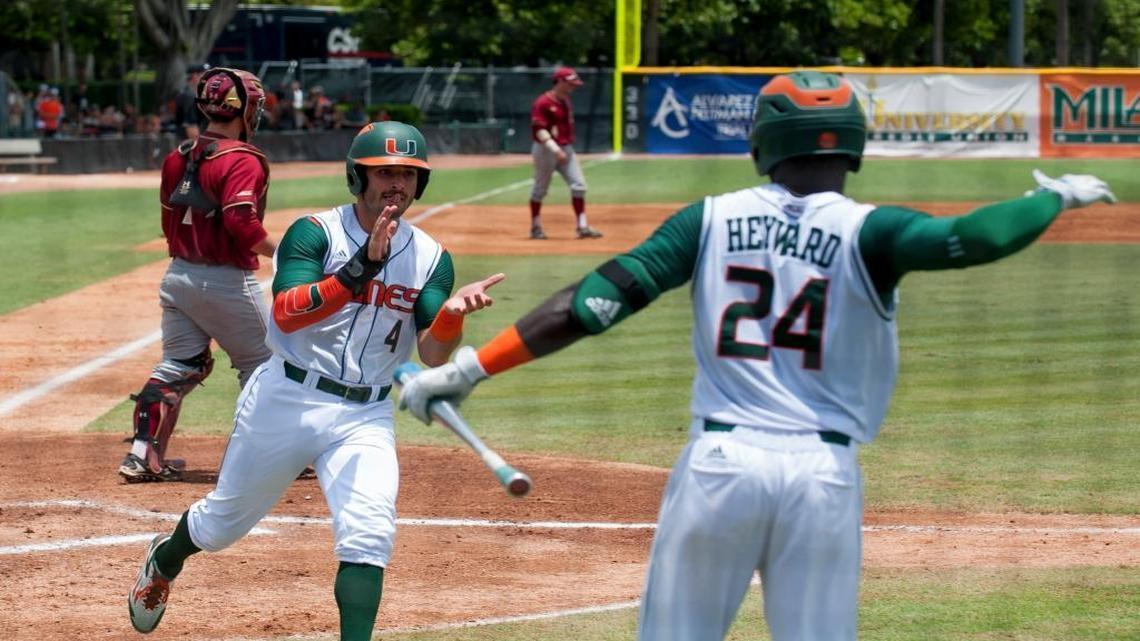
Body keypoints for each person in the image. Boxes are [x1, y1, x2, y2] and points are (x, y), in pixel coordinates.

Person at [396, 71, 1117, 641]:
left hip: (720, 469)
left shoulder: (708, 219)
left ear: (763, 142)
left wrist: (465, 370)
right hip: (823, 478)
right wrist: (1054, 199)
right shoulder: (874, 232)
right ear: (852, 146)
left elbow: (590, 303)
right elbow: (979, 238)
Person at [127, 120, 506, 641]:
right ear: (358, 177)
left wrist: (453, 315)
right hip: (288, 398)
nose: (397, 184)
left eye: (409, 175)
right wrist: (361, 268)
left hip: (366, 414)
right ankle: (165, 561)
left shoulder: (432, 259)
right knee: (222, 525)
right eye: (385, 173)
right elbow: (286, 314)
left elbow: (432, 353)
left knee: (369, 533)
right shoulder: (315, 232)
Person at [118, 67, 277, 483]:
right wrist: (283, 253)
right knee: (266, 365)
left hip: (178, 277)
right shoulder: (243, 160)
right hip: (225, 280)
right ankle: (261, 461)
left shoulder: (180, 154)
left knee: (178, 365)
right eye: (255, 105)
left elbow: (169, 218)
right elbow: (241, 222)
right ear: (240, 108)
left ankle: (141, 455)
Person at [528, 66, 601, 240]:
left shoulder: (565, 101)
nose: (573, 87)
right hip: (546, 150)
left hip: (566, 148)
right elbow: (540, 130)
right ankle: (536, 227)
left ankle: (582, 227)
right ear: (559, 82)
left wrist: (562, 150)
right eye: (570, 83)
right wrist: (555, 149)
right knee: (540, 189)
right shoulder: (543, 103)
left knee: (579, 185)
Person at [173, 63, 210, 140]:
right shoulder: (190, 96)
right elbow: (191, 125)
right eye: (205, 74)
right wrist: (199, 148)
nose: (209, 78)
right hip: (189, 143)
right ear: (194, 76)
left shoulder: (186, 93)